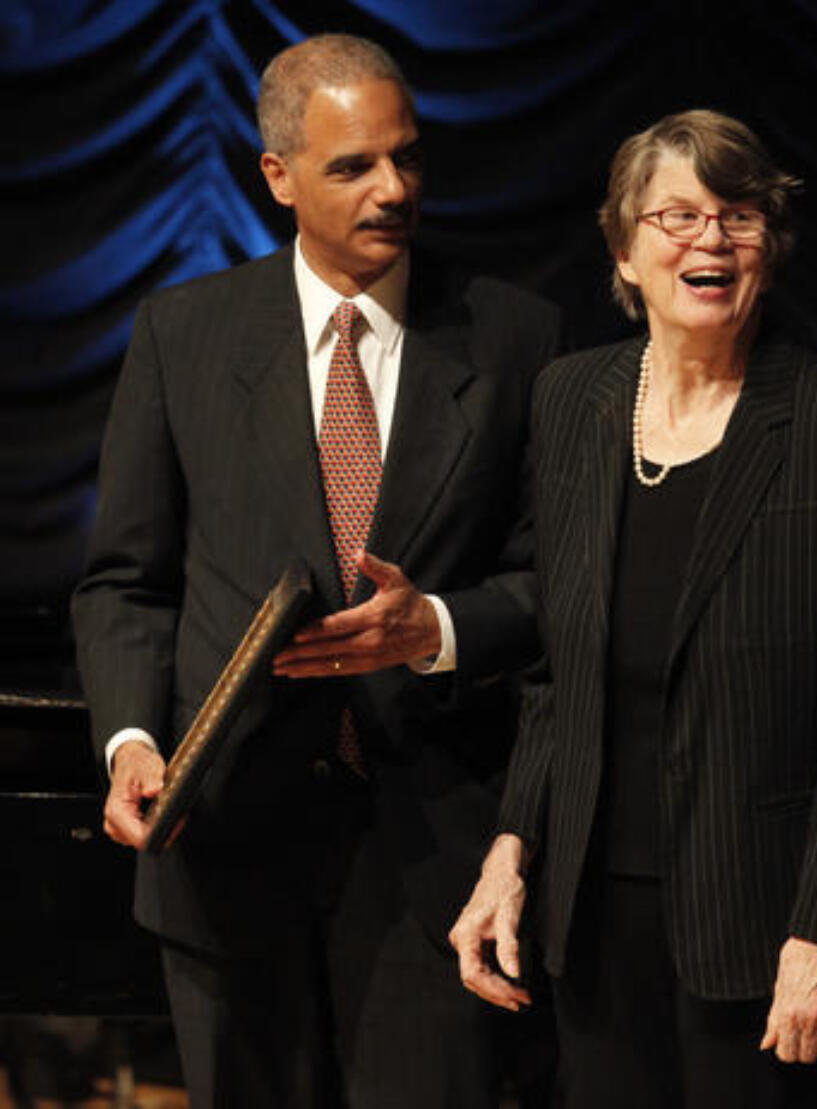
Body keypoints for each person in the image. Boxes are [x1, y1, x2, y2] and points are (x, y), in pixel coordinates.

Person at [70, 33, 562, 1109]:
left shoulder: (515, 337)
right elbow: (126, 582)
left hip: (436, 856)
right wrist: (134, 741)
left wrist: (430, 625)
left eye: (408, 157)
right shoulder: (184, 334)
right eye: (353, 166)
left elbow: (555, 590)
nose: (393, 189)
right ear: (277, 177)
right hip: (226, 850)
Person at [449, 109, 817, 1108]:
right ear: (622, 245)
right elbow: (557, 675)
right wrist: (512, 845)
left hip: (761, 932)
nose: (711, 240)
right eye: (678, 215)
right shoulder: (570, 400)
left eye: (739, 218)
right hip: (590, 923)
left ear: (769, 252)